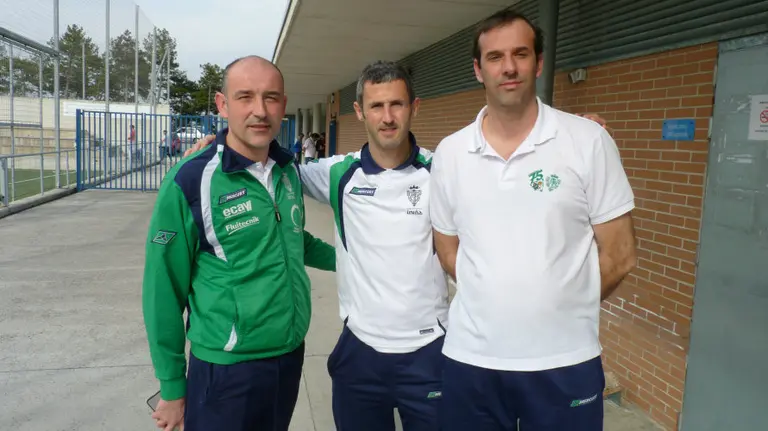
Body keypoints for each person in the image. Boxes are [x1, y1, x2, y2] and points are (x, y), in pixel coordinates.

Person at [429, 10, 637, 431]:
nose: (509, 67)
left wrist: (559, 304)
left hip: (565, 362)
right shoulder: (450, 154)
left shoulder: (587, 141)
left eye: (520, 54)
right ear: (477, 69)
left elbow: (620, 254)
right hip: (472, 361)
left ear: (538, 63)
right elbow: (447, 249)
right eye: (495, 57)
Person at [142, 55, 335, 431]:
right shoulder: (190, 180)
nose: (260, 111)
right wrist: (171, 386)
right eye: (245, 96)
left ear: (283, 103)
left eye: (271, 97)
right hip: (226, 371)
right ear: (222, 104)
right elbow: (161, 288)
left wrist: (356, 256)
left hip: (288, 355)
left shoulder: (286, 171)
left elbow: (293, 240)